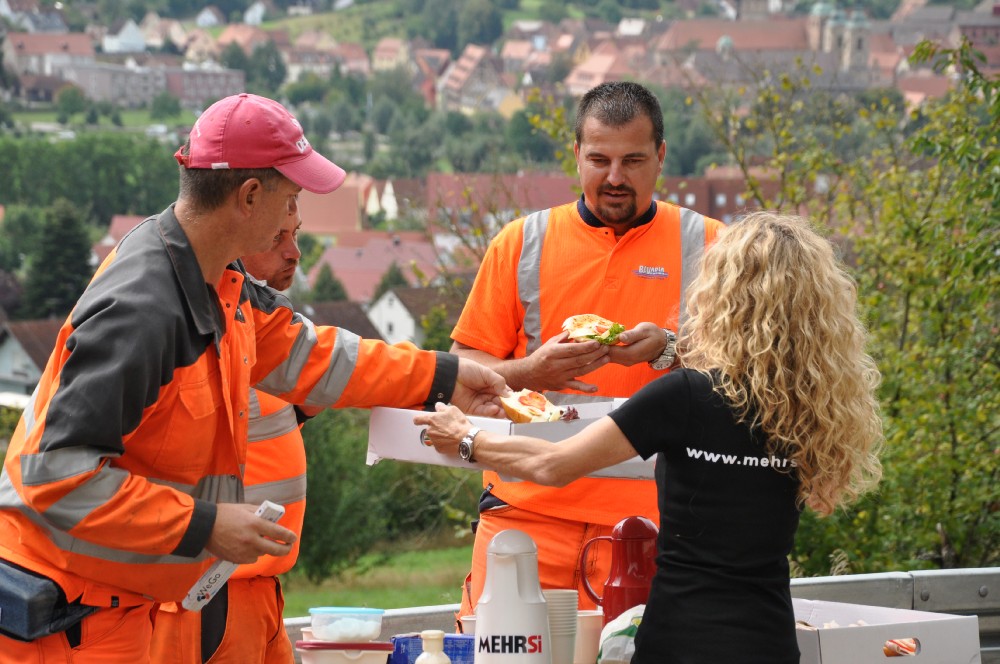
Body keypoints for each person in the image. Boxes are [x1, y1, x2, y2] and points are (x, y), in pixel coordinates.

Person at [0, 93, 505, 663]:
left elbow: (318, 358)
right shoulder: (143, 310)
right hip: (71, 625)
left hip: (117, 611)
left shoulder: (216, 284)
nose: (294, 218)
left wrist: (446, 376)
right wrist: (205, 526)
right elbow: (56, 475)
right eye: (290, 200)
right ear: (249, 197)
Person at [418, 211, 884, 663]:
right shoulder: (806, 412)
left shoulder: (685, 397)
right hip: (769, 644)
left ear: (726, 297)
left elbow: (552, 465)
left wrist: (467, 438)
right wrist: (666, 347)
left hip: (678, 642)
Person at [448, 80, 724, 617]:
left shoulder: (713, 245)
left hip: (657, 526)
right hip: (523, 516)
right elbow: (462, 371)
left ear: (661, 157)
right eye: (599, 159)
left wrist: (669, 349)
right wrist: (531, 370)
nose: (615, 178)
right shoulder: (521, 242)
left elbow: (749, 376)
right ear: (575, 155)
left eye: (633, 161)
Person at [149, 207, 310, 662]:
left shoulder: (253, 325)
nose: (293, 253)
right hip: (203, 597)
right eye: (276, 236)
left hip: (260, 590)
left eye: (295, 235)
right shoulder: (188, 326)